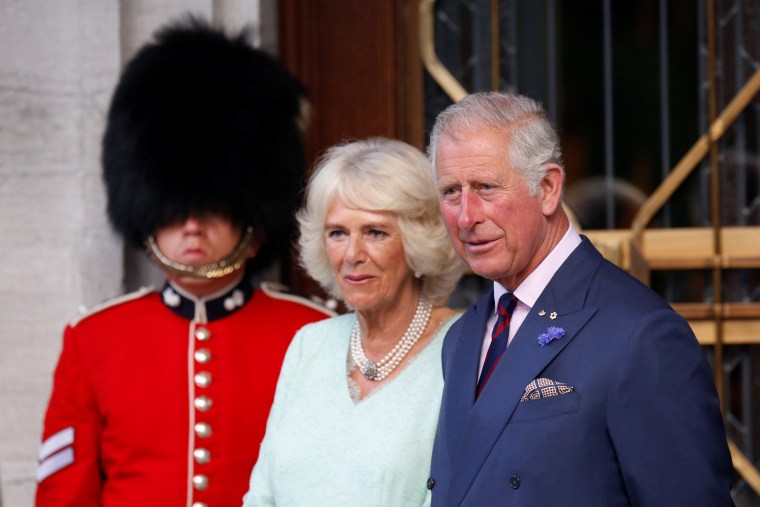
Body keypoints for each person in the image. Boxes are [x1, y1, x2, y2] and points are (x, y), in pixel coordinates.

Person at [35, 17, 333, 507]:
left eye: (213, 207)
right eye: (173, 211)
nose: (191, 225)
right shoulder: (93, 343)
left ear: (252, 226)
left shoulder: (313, 336)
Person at [426, 91, 735, 506]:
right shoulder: (463, 335)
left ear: (549, 188)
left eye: (485, 187)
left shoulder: (639, 334)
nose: (466, 216)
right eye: (451, 192)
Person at [243, 138, 465, 506]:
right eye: (338, 233)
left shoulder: (463, 349)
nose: (352, 255)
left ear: (418, 240)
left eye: (375, 232)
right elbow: (261, 493)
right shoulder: (308, 345)